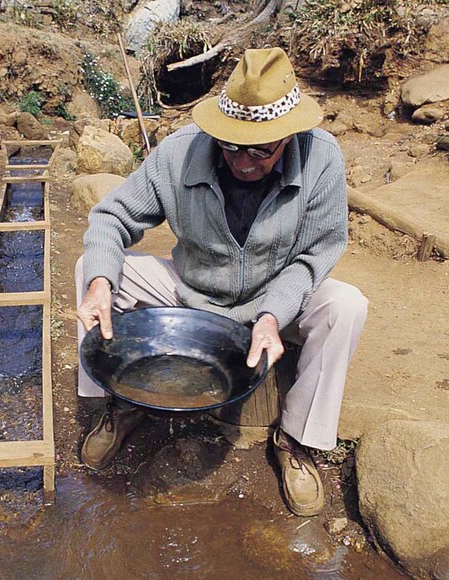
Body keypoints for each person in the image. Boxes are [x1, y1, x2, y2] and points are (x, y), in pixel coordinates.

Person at [74, 47, 368, 517]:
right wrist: (99, 284)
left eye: (261, 150)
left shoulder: (321, 158)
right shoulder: (179, 153)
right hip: (192, 291)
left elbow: (317, 254)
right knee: (95, 271)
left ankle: (296, 440)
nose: (244, 162)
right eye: (232, 146)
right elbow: (111, 217)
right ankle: (119, 404)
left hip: (275, 299)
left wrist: (272, 315)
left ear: (289, 136)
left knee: (345, 306)